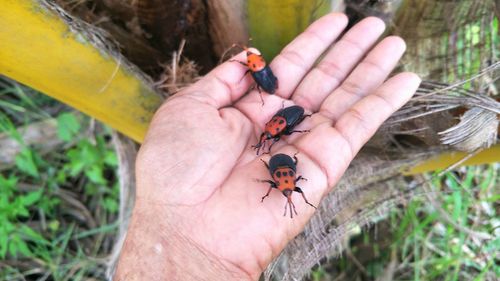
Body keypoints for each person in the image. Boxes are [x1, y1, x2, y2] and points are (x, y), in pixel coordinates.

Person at [114, 13, 421, 281]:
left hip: (283, 132)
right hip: (281, 134)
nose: (289, 191)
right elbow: (283, 174)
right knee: (275, 136)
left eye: (286, 190)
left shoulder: (285, 180)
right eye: (289, 191)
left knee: (277, 135)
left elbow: (286, 174)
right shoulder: (283, 177)